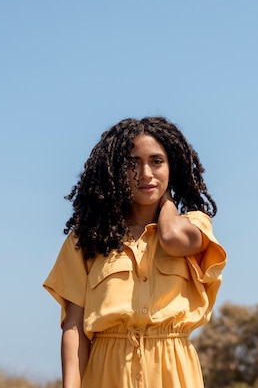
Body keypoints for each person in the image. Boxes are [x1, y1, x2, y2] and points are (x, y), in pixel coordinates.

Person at [43, 116, 226, 388]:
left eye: (156, 161)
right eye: (132, 163)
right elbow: (74, 327)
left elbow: (172, 238)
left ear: (171, 166)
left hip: (173, 375)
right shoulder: (88, 238)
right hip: (107, 374)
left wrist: (167, 202)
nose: (145, 173)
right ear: (116, 170)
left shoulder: (194, 226)